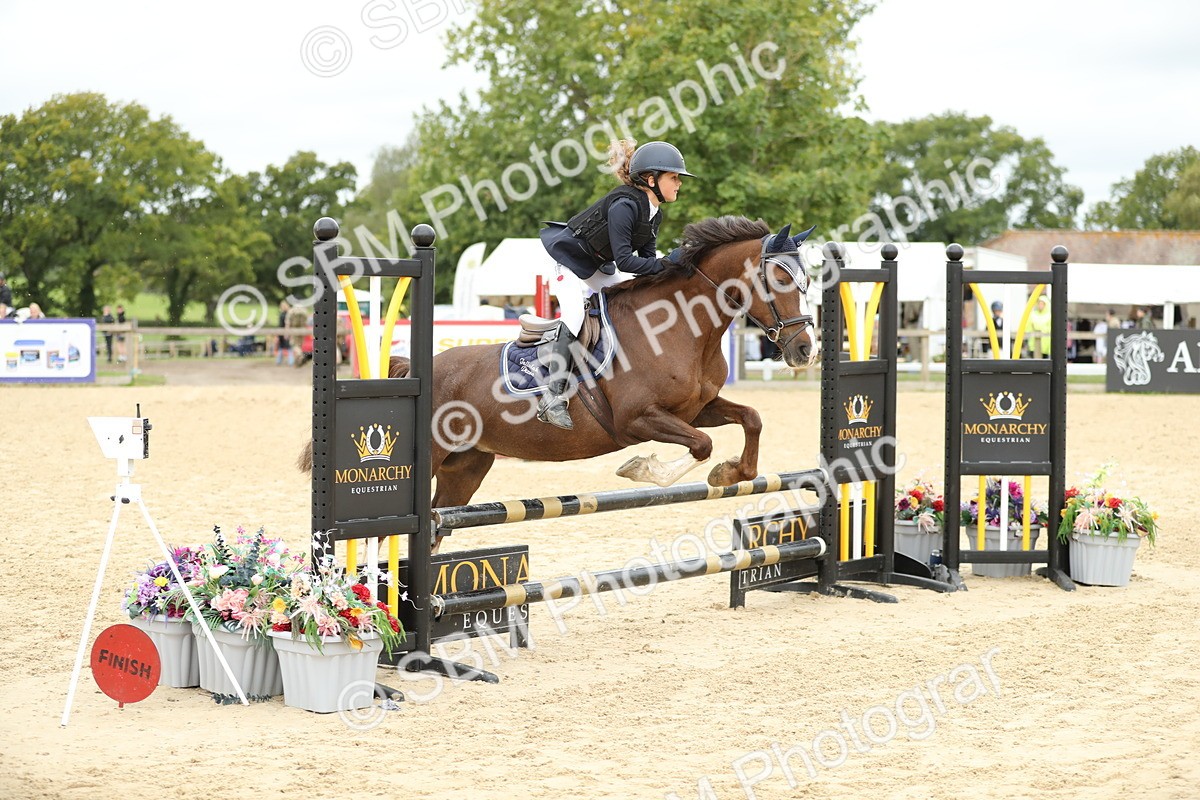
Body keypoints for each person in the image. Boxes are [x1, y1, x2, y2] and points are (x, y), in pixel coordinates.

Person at [535, 139, 695, 429]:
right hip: (567, 262)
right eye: (674, 177)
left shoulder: (653, 211)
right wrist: (668, 262)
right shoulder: (624, 205)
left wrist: (672, 271)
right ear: (651, 179)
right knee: (573, 315)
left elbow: (647, 263)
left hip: (596, 265)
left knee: (636, 296)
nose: (679, 184)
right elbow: (626, 262)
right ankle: (552, 396)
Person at [275, 300, 293, 365]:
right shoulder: (283, 313)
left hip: (285, 332)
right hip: (281, 332)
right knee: (281, 347)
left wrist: (286, 333)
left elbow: (287, 324)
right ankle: (279, 361)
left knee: (288, 347)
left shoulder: (287, 314)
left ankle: (290, 362)